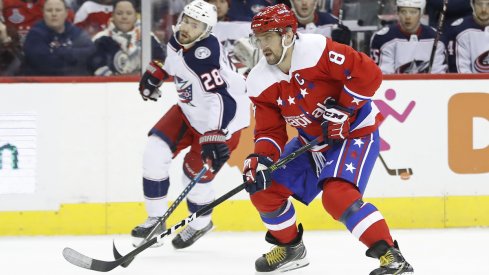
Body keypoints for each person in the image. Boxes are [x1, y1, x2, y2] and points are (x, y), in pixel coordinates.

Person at [243, 4, 413, 274]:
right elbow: (269, 131)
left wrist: (346, 109)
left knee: (337, 196)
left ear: (287, 35)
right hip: (312, 143)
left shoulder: (317, 50)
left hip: (354, 133)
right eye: (258, 38)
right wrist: (260, 159)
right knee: (264, 190)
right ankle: (290, 249)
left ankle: (392, 256)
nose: (262, 45)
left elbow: (368, 72)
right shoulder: (259, 80)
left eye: (267, 37)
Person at [131, 0, 249, 249]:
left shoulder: (204, 58)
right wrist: (159, 73)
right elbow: (173, 60)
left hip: (220, 125)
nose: (186, 27)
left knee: (193, 179)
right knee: (154, 153)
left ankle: (200, 223)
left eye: (194, 25)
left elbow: (223, 99)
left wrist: (216, 135)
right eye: (185, 20)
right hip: (188, 111)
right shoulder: (180, 38)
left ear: (206, 31)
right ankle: (155, 220)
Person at [89, 0, 165, 76]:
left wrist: (145, 78)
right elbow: (97, 67)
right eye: (119, 13)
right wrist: (120, 81)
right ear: (112, 15)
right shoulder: (101, 39)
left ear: (135, 16)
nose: (124, 17)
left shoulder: (148, 37)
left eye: (129, 13)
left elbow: (160, 63)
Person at [370, 0, 447, 74]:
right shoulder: (382, 38)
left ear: (422, 13)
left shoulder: (436, 38)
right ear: (398, 12)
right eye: (403, 12)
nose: (408, 16)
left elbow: (439, 77)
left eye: (413, 12)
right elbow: (382, 77)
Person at [21, 0, 95, 75]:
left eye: (58, 10)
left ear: (66, 13)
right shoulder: (35, 34)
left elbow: (91, 52)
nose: (54, 14)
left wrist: (59, 51)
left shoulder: (76, 32)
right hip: (42, 83)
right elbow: (44, 64)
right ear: (43, 13)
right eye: (49, 10)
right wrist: (74, 59)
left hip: (77, 83)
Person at [443, 0, 489, 73]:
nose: (484, 10)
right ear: (472, 4)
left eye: (488, 4)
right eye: (479, 4)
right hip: (473, 84)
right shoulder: (459, 30)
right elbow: (461, 76)